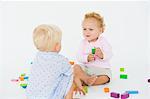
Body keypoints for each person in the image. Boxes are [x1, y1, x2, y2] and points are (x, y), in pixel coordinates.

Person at [26, 24, 74, 99]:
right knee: (70, 77)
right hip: (50, 97)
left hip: (31, 96)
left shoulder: (38, 56)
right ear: (57, 46)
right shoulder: (61, 60)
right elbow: (70, 71)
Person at [74, 12, 113, 89]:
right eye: (84, 29)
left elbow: (110, 53)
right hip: (86, 69)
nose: (86, 32)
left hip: (101, 69)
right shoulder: (83, 43)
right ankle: (86, 79)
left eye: (91, 29)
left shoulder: (103, 41)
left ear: (100, 30)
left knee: (106, 77)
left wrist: (102, 55)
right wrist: (86, 58)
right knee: (75, 67)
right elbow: (79, 56)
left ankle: (85, 82)